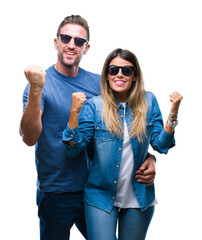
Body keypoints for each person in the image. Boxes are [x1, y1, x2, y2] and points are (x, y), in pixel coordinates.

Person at [20, 15, 156, 240]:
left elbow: (124, 127)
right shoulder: (41, 83)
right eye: (65, 38)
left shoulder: (98, 84)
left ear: (86, 47)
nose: (71, 45)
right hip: (55, 191)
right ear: (56, 42)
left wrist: (149, 156)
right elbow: (29, 137)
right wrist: (36, 89)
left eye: (79, 41)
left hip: (95, 189)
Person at [62, 48, 183, 240]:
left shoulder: (149, 101)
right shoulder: (94, 106)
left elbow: (161, 145)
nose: (119, 74)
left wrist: (173, 113)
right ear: (107, 75)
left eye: (126, 70)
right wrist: (74, 114)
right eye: (113, 70)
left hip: (139, 195)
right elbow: (74, 148)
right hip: (100, 196)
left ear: (134, 76)